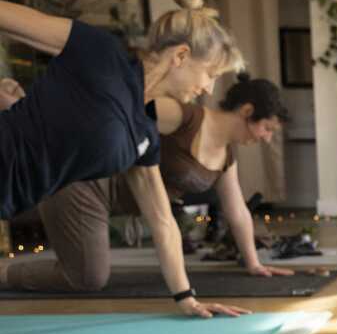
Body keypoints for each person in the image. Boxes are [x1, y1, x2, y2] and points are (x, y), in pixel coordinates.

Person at [0, 0, 249, 317]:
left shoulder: (145, 133)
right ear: (181, 56)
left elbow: (162, 221)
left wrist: (186, 298)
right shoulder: (98, 51)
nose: (209, 88)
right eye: (210, 74)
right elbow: (10, 18)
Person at [2, 74, 293, 296]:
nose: (266, 137)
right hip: (82, 180)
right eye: (266, 128)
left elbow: (237, 210)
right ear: (246, 110)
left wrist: (253, 263)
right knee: (89, 278)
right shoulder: (186, 117)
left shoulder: (226, 155)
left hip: (106, 201)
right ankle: (3, 272)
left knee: (89, 276)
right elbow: (122, 112)